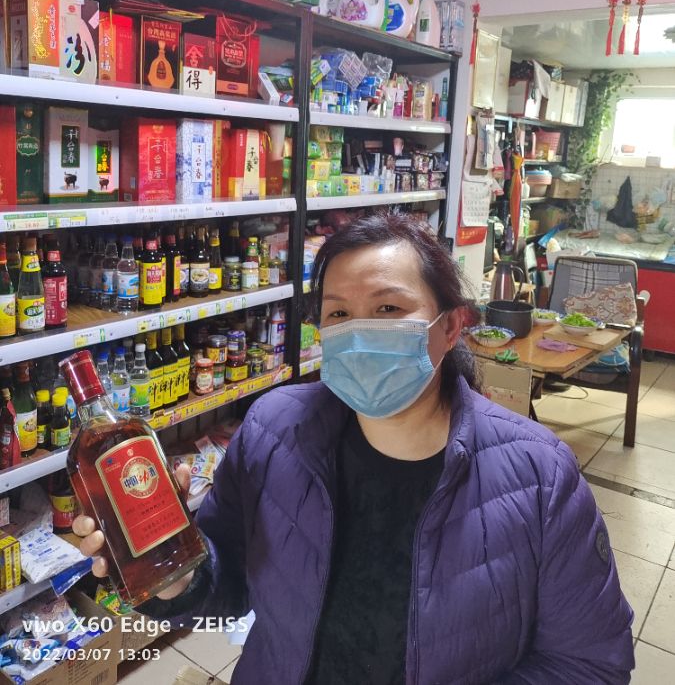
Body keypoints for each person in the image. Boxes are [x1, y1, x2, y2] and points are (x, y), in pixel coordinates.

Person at [74, 213, 634, 684]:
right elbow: (227, 590)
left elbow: (588, 665)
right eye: (339, 313)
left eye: (389, 309)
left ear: (452, 327)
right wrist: (176, 576)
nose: (360, 332)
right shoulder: (271, 430)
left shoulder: (540, 476)